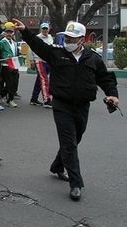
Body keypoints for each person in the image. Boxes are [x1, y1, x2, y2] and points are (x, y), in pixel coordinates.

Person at [14, 19, 119, 201]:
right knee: (69, 142)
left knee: (76, 137)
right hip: (62, 105)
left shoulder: (92, 58)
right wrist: (25, 32)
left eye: (72, 38)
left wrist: (112, 94)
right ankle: (76, 183)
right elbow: (38, 45)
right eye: (66, 38)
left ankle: (57, 166)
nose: (68, 42)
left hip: (82, 106)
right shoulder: (57, 54)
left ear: (81, 40)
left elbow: (105, 78)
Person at [30, 23, 53, 108]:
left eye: (46, 28)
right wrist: (31, 61)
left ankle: (34, 98)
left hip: (47, 61)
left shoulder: (50, 37)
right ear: (40, 29)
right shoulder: (37, 38)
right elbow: (31, 49)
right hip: (39, 60)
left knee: (39, 80)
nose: (45, 30)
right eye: (43, 29)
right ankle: (47, 100)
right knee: (44, 80)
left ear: (49, 29)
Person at [0, 22, 20, 108]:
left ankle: (1, 94)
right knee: (10, 83)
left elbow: (16, 53)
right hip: (6, 65)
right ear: (5, 33)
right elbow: (0, 53)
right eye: (7, 32)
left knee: (14, 83)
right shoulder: (2, 42)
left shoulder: (14, 43)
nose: (9, 34)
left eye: (11, 32)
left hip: (15, 64)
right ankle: (10, 100)